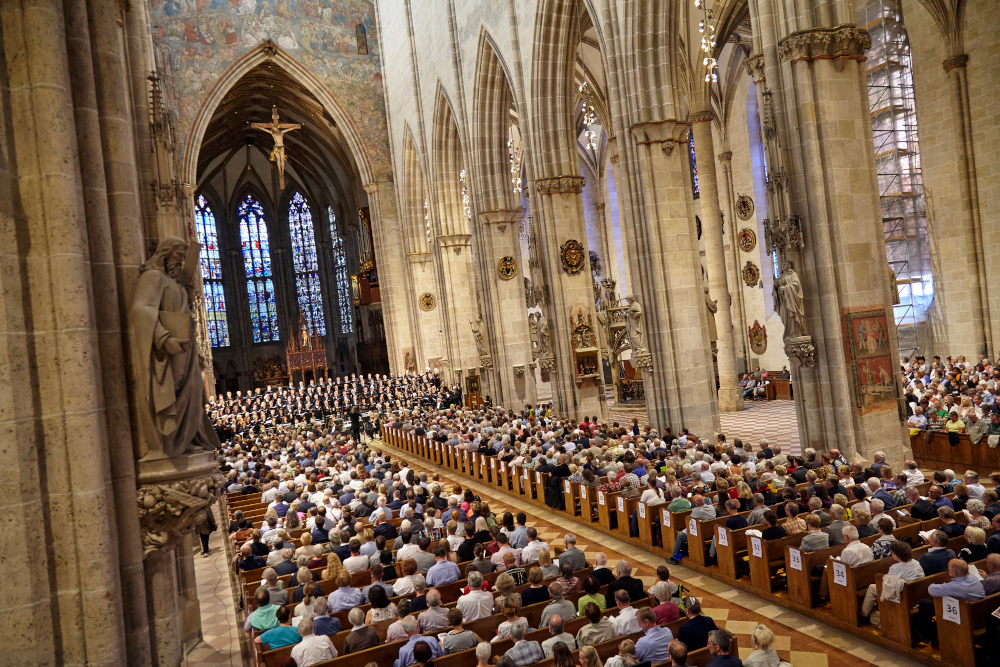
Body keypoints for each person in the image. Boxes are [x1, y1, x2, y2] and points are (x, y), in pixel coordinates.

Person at [915, 559, 985, 643]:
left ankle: (925, 634)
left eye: (949, 569)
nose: (948, 570)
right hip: (978, 614)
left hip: (963, 616)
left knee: (924, 603)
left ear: (955, 572)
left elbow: (931, 589)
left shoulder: (956, 586)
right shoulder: (974, 578)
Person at [860, 541, 923, 625]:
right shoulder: (916, 563)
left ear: (897, 555)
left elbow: (888, 587)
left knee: (872, 588)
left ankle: (864, 614)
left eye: (892, 552)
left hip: (903, 597)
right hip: (916, 596)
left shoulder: (895, 568)